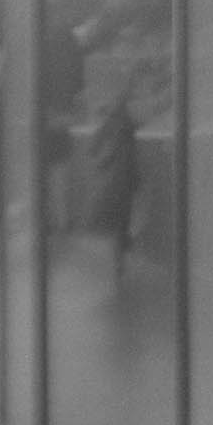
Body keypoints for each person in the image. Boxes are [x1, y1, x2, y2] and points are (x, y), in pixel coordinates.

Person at [87, 91, 140, 288]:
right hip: (127, 179)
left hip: (114, 180)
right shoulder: (128, 124)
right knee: (123, 218)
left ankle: (120, 259)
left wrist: (102, 163)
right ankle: (122, 253)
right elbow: (129, 154)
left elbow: (93, 148)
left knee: (117, 219)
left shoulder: (111, 123)